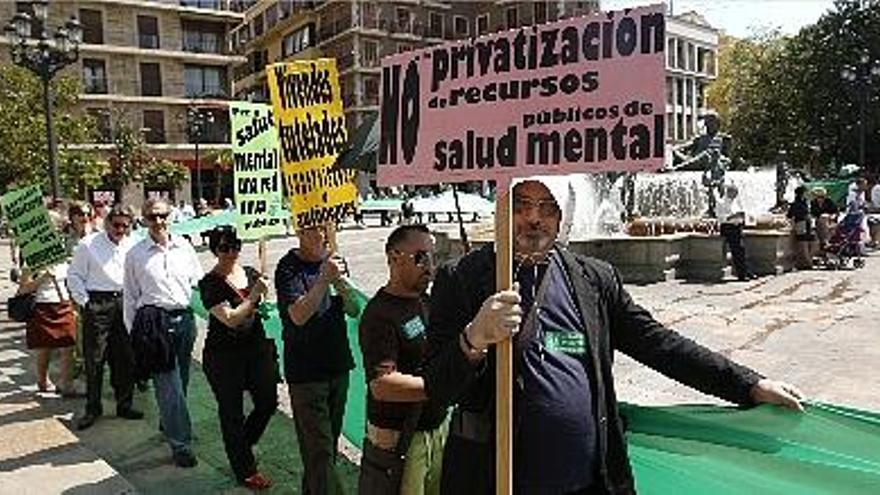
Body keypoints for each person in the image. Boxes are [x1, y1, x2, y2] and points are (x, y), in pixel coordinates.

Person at [425, 178, 804, 495]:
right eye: (521, 206)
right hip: (493, 481)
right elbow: (437, 389)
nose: (534, 219)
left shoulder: (594, 278)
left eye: (547, 208)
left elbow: (659, 344)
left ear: (562, 217)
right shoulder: (461, 279)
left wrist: (748, 385)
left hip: (588, 483)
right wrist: (473, 338)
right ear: (503, 212)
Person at [358, 225, 448, 495]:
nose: (430, 266)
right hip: (399, 439)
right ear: (394, 258)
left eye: (434, 257)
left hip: (435, 430)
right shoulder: (379, 316)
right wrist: (440, 385)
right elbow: (383, 385)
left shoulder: (427, 301)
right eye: (421, 257)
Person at [274, 224, 359, 494]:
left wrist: (341, 283)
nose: (320, 235)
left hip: (337, 366)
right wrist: (323, 280)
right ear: (299, 231)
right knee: (319, 450)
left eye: (324, 228)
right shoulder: (288, 268)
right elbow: (298, 316)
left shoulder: (333, 261)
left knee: (325, 448)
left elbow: (354, 308)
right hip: (307, 373)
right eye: (312, 229)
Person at [123, 197, 204, 468]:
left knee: (180, 379)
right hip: (154, 325)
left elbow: (198, 283)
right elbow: (130, 297)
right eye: (151, 217)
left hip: (185, 322)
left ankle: (168, 422)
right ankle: (180, 443)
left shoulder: (185, 248)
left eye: (162, 215)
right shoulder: (135, 255)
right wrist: (134, 334)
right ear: (143, 220)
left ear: (171, 216)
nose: (158, 221)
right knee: (169, 386)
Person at [198, 226, 278, 490]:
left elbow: (262, 304)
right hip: (223, 357)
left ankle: (242, 444)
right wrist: (254, 296)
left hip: (256, 349)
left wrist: (263, 296)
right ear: (214, 250)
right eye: (224, 247)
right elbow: (230, 319)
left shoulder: (251, 273)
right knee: (231, 412)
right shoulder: (210, 283)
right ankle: (245, 469)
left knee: (267, 402)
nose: (231, 252)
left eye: (235, 246)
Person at [68, 205, 142, 430]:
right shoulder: (88, 245)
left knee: (125, 357)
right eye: (116, 224)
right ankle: (93, 407)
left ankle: (124, 403)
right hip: (98, 303)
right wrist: (85, 302)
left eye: (125, 225)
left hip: (125, 302)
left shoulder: (133, 244)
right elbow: (74, 275)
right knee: (95, 358)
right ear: (107, 222)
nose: (120, 229)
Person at [18, 211, 79, 396]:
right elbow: (23, 289)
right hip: (43, 306)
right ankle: (43, 381)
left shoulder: (64, 250)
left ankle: (66, 383)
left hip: (63, 303)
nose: (55, 232)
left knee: (68, 345)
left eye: (57, 228)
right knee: (44, 348)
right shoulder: (33, 257)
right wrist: (44, 277)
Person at [716, 184, 755, 281]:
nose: (735, 195)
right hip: (728, 228)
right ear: (729, 192)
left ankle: (747, 272)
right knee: (737, 251)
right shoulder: (721, 202)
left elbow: (741, 213)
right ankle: (742, 275)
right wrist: (732, 217)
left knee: (742, 251)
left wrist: (743, 217)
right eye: (734, 193)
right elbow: (720, 218)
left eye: (736, 193)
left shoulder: (736, 203)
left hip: (737, 227)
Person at [786, 186, 814, 270]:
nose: (807, 194)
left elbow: (789, 215)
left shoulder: (803, 202)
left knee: (807, 243)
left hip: (806, 224)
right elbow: (790, 215)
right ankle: (806, 262)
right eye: (805, 192)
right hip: (801, 224)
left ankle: (806, 262)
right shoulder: (797, 203)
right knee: (803, 243)